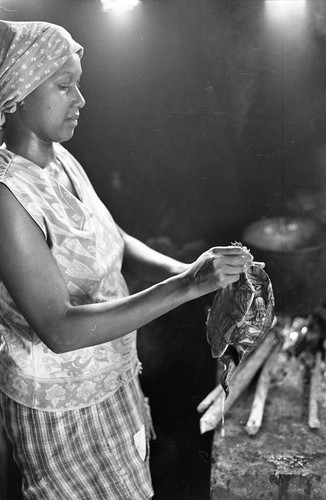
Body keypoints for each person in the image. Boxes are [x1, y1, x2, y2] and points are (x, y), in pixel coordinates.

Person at [0, 20, 254, 500]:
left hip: (112, 382)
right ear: (17, 95)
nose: (80, 100)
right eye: (63, 86)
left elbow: (111, 236)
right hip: (63, 414)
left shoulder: (58, 159)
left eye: (79, 83)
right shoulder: (8, 197)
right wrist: (186, 288)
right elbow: (59, 328)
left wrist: (183, 270)